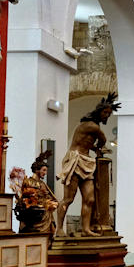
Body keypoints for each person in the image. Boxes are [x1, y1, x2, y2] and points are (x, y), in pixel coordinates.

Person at [55, 92, 120, 237]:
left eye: (109, 114)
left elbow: (89, 143)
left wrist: (94, 149)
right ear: (98, 111)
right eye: (105, 112)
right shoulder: (92, 126)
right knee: (68, 199)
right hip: (75, 159)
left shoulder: (93, 126)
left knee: (89, 198)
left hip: (86, 161)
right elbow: (102, 140)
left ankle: (86, 229)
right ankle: (59, 228)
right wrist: (98, 148)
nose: (106, 116)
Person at [21, 152, 58, 233]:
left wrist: (48, 200)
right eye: (44, 170)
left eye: (46, 171)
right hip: (34, 214)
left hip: (45, 214)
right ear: (37, 169)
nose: (45, 173)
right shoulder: (28, 182)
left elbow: (50, 197)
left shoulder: (42, 183)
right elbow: (25, 197)